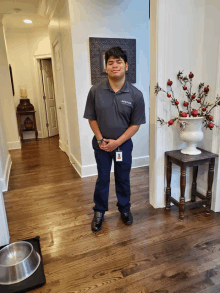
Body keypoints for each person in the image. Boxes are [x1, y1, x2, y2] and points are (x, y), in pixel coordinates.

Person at [83, 46, 146, 232]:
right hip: (101, 146)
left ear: (126, 66)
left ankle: (125, 209)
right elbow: (91, 118)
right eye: (110, 63)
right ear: (105, 68)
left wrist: (117, 142)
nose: (114, 66)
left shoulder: (136, 95)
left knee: (123, 178)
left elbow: (136, 124)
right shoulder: (95, 91)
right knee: (102, 178)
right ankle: (99, 211)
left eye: (118, 62)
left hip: (123, 146)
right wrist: (101, 140)